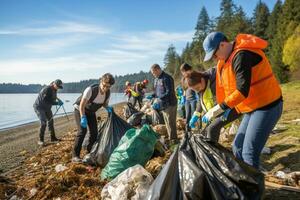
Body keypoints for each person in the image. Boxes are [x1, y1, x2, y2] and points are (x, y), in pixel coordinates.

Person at [201, 32, 283, 169]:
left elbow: (241, 91)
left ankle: (254, 188)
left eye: (214, 54)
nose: (215, 59)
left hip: (267, 106)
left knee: (249, 153)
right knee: (237, 147)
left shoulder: (241, 55)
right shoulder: (226, 59)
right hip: (251, 107)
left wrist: (219, 108)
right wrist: (228, 109)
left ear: (222, 45)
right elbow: (230, 90)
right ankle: (245, 181)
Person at [185, 70, 240, 141]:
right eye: (195, 90)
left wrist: (211, 113)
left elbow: (222, 102)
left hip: (228, 110)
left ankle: (212, 151)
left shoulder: (215, 84)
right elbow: (200, 101)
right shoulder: (201, 87)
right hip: (216, 113)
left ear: (202, 80)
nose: (197, 91)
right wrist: (196, 114)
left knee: (211, 129)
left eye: (197, 88)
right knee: (205, 132)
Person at [72, 73, 115, 163]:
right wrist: (83, 117)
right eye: (104, 85)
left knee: (94, 132)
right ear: (101, 81)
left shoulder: (107, 93)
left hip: (91, 112)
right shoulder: (91, 90)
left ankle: (89, 151)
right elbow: (82, 105)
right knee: (82, 131)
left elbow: (104, 104)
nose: (105, 88)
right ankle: (75, 156)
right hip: (80, 110)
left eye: (108, 87)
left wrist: (108, 108)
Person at [148, 64, 178, 145]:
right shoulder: (157, 79)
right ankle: (170, 138)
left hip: (170, 103)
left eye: (154, 73)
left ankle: (174, 141)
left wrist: (159, 98)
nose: (153, 75)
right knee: (167, 122)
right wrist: (153, 95)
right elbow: (157, 92)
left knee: (171, 123)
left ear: (158, 69)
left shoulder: (167, 78)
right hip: (163, 105)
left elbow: (169, 92)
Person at [33, 79, 64, 146]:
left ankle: (53, 138)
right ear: (54, 84)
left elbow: (53, 97)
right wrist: (57, 103)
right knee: (43, 122)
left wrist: (59, 100)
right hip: (39, 107)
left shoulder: (55, 90)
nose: (58, 88)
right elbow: (46, 100)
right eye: (58, 86)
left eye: (59, 87)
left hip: (47, 108)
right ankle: (41, 140)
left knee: (51, 121)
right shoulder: (47, 89)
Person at [180, 63, 198, 131]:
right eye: (182, 71)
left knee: (195, 115)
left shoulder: (192, 76)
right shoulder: (183, 79)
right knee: (187, 116)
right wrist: (183, 98)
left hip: (194, 99)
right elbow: (184, 89)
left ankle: (198, 129)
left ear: (187, 70)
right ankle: (188, 130)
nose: (182, 73)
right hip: (187, 100)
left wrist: (197, 97)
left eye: (183, 71)